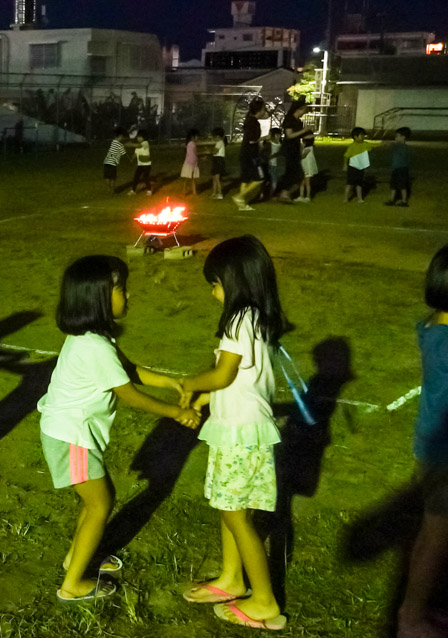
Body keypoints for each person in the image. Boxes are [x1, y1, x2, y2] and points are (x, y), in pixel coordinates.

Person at [38, 255, 198, 602]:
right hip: (72, 437)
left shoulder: (93, 338)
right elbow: (129, 394)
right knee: (100, 502)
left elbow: (129, 370)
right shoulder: (93, 346)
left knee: (95, 499)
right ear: (98, 297)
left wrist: (171, 382)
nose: (128, 295)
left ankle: (76, 557)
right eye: (122, 289)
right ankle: (72, 584)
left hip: (71, 433)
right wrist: (176, 413)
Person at [179, 235, 288, 631]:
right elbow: (240, 383)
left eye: (215, 282)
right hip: (236, 429)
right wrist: (204, 402)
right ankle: (231, 578)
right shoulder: (254, 318)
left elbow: (224, 374)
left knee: (236, 515)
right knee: (230, 507)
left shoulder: (239, 321)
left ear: (235, 281)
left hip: (240, 433)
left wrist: (190, 384)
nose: (213, 290)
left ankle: (264, 602)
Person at [398, 245, 448, 638]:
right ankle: (411, 618)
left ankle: (418, 608)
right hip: (442, 454)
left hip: (431, 448)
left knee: (430, 535)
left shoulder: (432, 327)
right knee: (437, 538)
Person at [233, 99, 268, 211]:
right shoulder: (253, 123)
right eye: (263, 109)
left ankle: (241, 204)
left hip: (245, 154)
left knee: (245, 179)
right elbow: (251, 140)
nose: (264, 111)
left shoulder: (249, 120)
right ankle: (239, 196)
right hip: (251, 155)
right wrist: (264, 138)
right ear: (259, 110)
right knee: (259, 178)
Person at [277, 101, 313, 204]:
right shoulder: (289, 119)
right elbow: (290, 135)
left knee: (297, 173)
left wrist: (314, 135)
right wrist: (304, 130)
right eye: (305, 109)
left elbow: (301, 136)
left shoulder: (299, 121)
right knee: (293, 172)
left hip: (296, 148)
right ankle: (284, 193)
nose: (306, 111)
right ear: (299, 108)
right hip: (289, 149)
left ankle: (284, 193)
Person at [343, 127, 372, 204]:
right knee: (349, 183)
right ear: (355, 137)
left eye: (363, 135)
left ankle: (359, 198)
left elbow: (370, 148)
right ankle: (346, 198)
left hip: (360, 167)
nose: (363, 137)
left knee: (359, 184)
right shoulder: (352, 146)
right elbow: (346, 156)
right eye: (361, 135)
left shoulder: (365, 144)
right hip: (352, 167)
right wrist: (345, 165)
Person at [387, 127, 412, 207]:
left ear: (403, 137)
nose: (396, 138)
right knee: (393, 185)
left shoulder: (402, 147)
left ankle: (404, 201)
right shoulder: (399, 146)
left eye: (397, 136)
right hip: (396, 168)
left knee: (402, 185)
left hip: (401, 169)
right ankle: (392, 200)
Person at [126, 129, 153, 196]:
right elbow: (135, 153)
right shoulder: (137, 146)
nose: (138, 138)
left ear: (144, 137)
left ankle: (149, 190)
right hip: (140, 165)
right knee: (136, 177)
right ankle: (133, 190)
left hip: (147, 165)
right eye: (138, 137)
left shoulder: (145, 143)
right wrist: (132, 158)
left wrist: (130, 144)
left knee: (145, 177)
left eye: (140, 137)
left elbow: (138, 146)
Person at [103, 127, 129, 195]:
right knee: (113, 177)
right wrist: (130, 159)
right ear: (120, 136)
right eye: (123, 137)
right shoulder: (120, 145)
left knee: (107, 176)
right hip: (113, 163)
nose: (123, 138)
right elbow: (124, 154)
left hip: (106, 162)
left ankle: (108, 188)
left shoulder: (113, 142)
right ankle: (112, 190)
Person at [297, 133, 318, 203]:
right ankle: (301, 196)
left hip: (308, 168)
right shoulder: (307, 148)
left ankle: (308, 196)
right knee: (302, 183)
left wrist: (301, 147)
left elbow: (302, 156)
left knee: (307, 183)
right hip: (304, 167)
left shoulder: (309, 148)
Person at [180, 130, 201, 197]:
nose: (198, 138)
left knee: (191, 178)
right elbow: (196, 153)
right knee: (189, 179)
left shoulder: (189, 143)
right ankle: (186, 192)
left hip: (192, 163)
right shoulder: (192, 144)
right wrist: (204, 153)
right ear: (193, 137)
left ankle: (192, 192)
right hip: (190, 164)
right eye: (197, 136)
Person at [263, 128, 283, 197]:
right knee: (273, 180)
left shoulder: (279, 142)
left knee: (272, 179)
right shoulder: (269, 143)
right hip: (270, 164)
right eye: (278, 134)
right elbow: (265, 152)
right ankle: (272, 194)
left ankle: (268, 193)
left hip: (275, 164)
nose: (279, 136)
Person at [210, 127, 228, 200]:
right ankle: (214, 193)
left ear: (218, 136)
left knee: (217, 178)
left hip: (218, 160)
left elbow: (215, 152)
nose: (213, 138)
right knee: (214, 178)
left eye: (214, 136)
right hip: (216, 160)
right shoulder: (219, 142)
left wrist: (208, 151)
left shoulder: (219, 142)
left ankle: (220, 194)